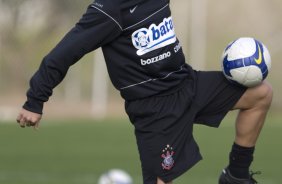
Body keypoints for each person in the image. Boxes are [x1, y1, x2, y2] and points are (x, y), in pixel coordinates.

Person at [16, 0, 273, 184]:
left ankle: (236, 175)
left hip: (187, 83)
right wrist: (35, 100)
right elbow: (63, 54)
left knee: (260, 94)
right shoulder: (108, 11)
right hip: (154, 109)